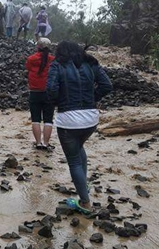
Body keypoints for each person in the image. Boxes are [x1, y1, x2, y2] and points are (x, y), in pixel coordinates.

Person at [46, 41, 113, 215]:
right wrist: (92, 98)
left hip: (68, 120)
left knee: (74, 160)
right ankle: (84, 186)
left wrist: (58, 103)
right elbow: (107, 86)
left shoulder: (57, 65)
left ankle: (85, 203)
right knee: (79, 148)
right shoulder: (90, 64)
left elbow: (51, 89)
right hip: (91, 119)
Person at [25, 38, 55, 150]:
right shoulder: (53, 60)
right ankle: (46, 143)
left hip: (34, 92)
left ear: (38, 47)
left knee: (36, 119)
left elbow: (27, 68)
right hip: (49, 93)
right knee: (48, 120)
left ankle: (38, 143)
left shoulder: (31, 59)